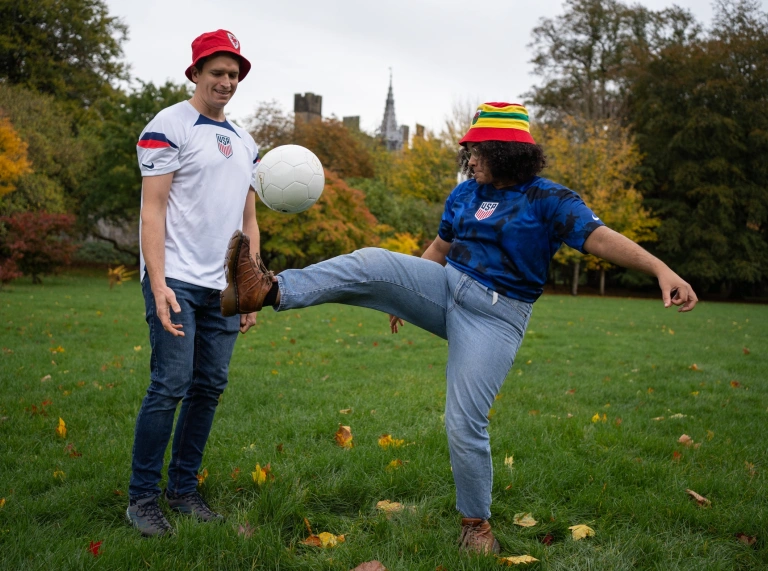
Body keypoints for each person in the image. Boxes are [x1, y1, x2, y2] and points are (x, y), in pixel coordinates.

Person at [221, 102, 698, 554]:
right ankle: (266, 290)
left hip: (496, 316)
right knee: (369, 261)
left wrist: (661, 270)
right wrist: (402, 296)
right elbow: (439, 250)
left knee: (464, 421)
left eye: (476, 151)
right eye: (467, 150)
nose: (468, 159)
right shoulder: (466, 193)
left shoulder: (548, 199)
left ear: (505, 152)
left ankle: (476, 523)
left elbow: (600, 238)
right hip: (445, 287)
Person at [127, 29, 263, 537]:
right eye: (217, 73)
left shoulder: (245, 141)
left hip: (222, 287)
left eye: (233, 74)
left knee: (209, 387)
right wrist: (157, 282)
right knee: (170, 384)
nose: (226, 82)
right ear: (195, 74)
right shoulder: (168, 125)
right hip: (176, 279)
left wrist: (252, 284)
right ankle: (142, 498)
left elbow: (249, 220)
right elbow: (153, 209)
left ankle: (183, 491)